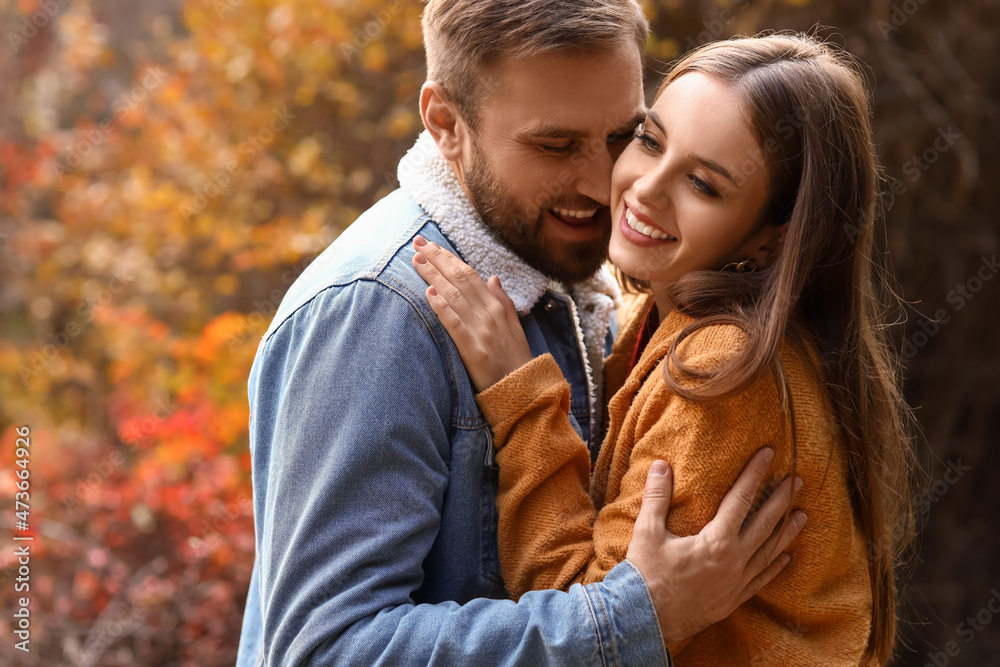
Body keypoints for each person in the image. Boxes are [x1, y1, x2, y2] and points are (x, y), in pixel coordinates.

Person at [235, 3, 808, 665]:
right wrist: (637, 615)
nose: (606, 183)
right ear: (446, 124)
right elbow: (326, 651)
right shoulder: (382, 312)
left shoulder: (574, 281)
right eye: (556, 146)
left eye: (626, 135)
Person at [412, 33, 917, 666]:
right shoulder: (661, 316)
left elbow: (591, 622)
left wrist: (519, 394)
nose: (647, 188)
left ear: (770, 238)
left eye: (703, 184)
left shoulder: (725, 373)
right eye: (650, 140)